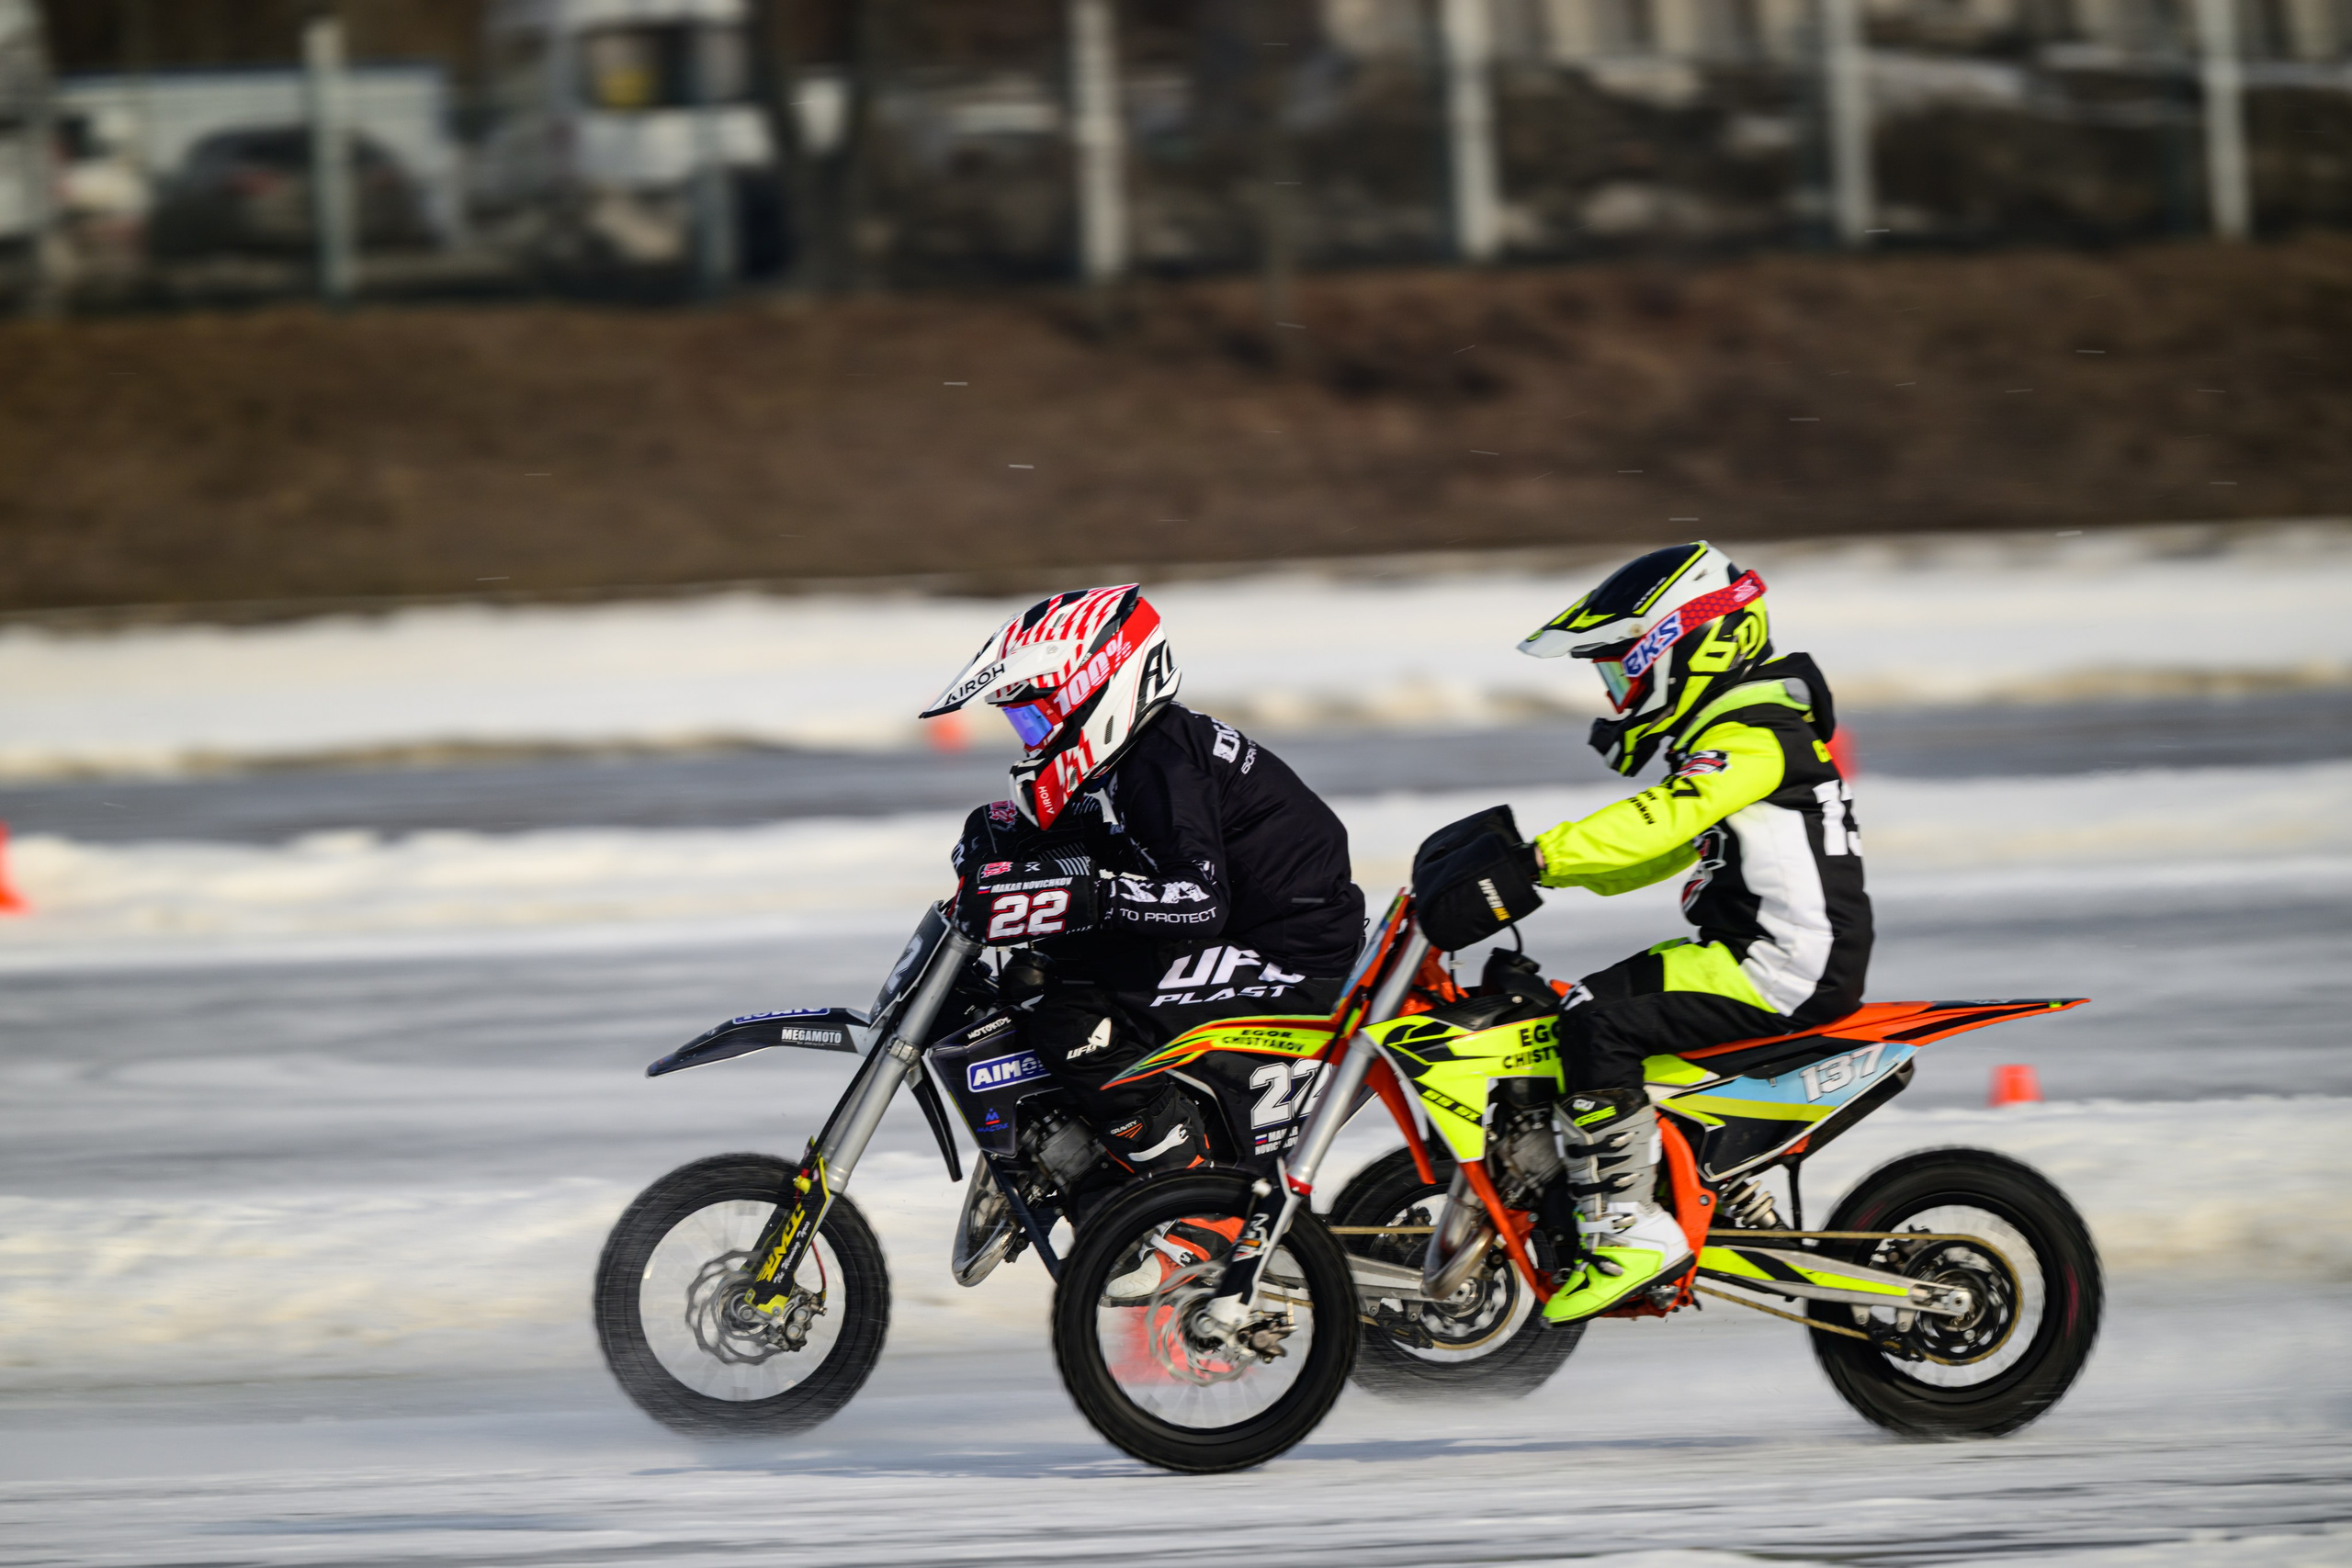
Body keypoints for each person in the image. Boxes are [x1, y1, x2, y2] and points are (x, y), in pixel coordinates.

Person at [1513, 542, 1871, 1322]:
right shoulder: (1743, 732)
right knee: (1562, 1012)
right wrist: (1532, 879)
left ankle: (1627, 1231)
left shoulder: (1754, 733)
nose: (1617, 695)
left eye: (1621, 672)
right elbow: (1661, 849)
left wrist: (1539, 854)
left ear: (1687, 649)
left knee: (1597, 1029)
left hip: (1780, 967)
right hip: (1750, 954)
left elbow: (1659, 822)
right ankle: (1703, 1185)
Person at [922, 583, 1366, 1188]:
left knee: (1073, 1023)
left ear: (1094, 689)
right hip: (1264, 930)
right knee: (1052, 970)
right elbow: (1131, 854)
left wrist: (1079, 893)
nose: (1029, 735)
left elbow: (1199, 901)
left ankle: (1194, 1200)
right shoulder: (1148, 749)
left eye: (1033, 714)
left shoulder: (1159, 767)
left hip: (1291, 960)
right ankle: (1090, 1159)